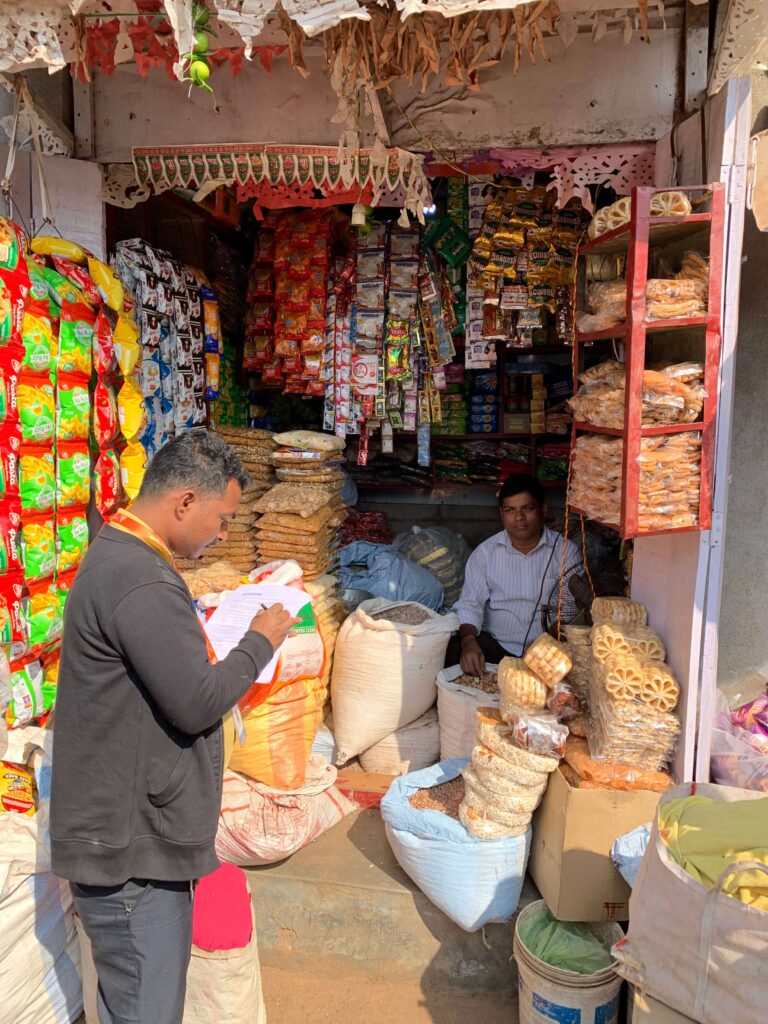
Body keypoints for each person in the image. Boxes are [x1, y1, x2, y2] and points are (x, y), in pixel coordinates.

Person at [50, 428, 298, 1024]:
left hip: (131, 836)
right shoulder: (137, 576)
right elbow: (196, 700)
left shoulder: (127, 559)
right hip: (130, 853)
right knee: (145, 1006)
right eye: (221, 518)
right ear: (184, 501)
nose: (222, 534)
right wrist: (258, 642)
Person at [447, 474, 581, 673]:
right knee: (454, 647)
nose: (519, 518)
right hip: (496, 645)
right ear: (502, 514)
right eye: (510, 510)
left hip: (549, 647)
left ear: (543, 508)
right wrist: (468, 642)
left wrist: (543, 646)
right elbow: (469, 604)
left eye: (527, 508)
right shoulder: (485, 553)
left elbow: (572, 611)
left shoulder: (565, 552)